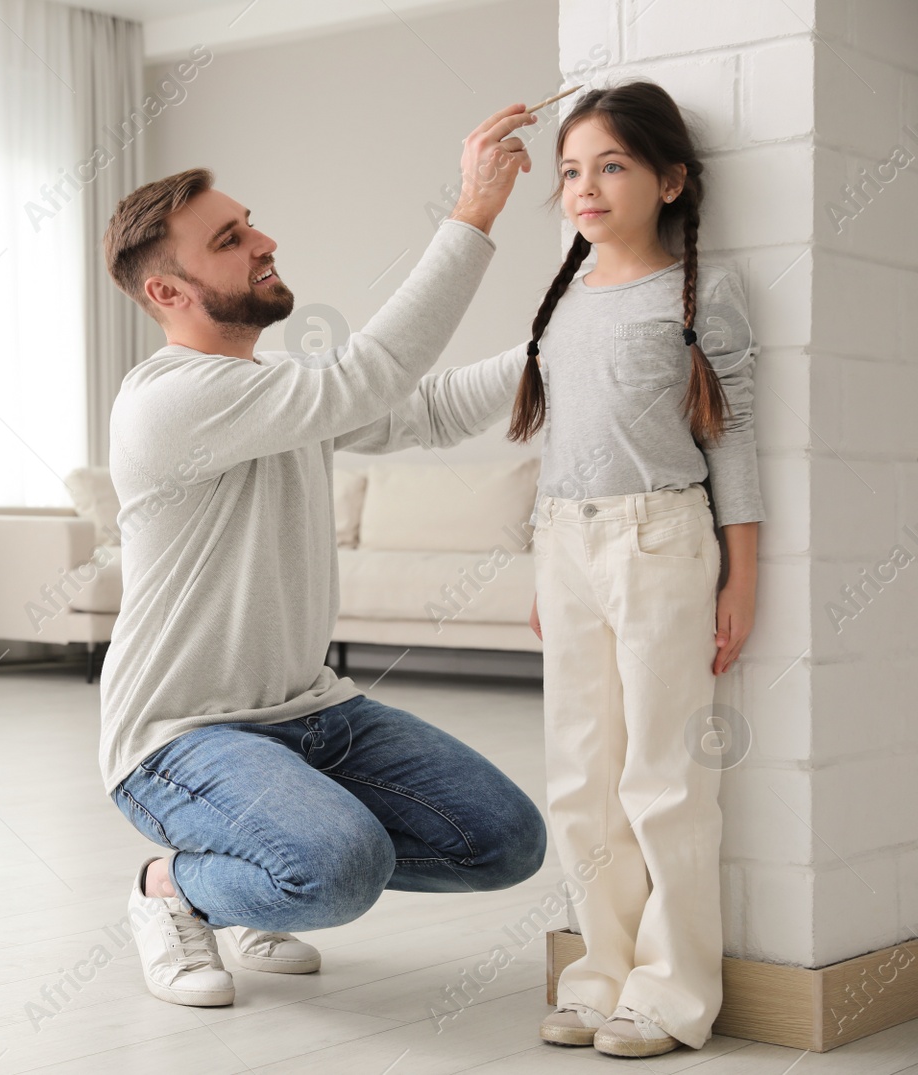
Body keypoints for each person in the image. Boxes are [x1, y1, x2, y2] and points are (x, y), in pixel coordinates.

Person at [97, 104, 549, 1010]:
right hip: (181, 738)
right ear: (168, 293)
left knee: (505, 839)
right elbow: (370, 378)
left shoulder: (272, 391)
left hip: (311, 713)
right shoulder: (167, 402)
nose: (264, 239)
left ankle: (260, 860)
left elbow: (430, 410)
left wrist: (557, 345)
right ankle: (174, 887)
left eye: (248, 220)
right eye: (230, 239)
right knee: (340, 868)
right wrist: (471, 214)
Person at [513, 81, 762, 1058]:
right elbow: (562, 443)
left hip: (662, 542)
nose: (584, 184)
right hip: (565, 544)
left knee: (663, 776)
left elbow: (732, 446)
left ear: (668, 181)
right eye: (572, 169)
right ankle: (598, 973)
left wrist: (742, 580)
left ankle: (670, 992)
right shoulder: (562, 304)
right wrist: (548, 566)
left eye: (610, 164)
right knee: (581, 775)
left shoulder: (703, 293)